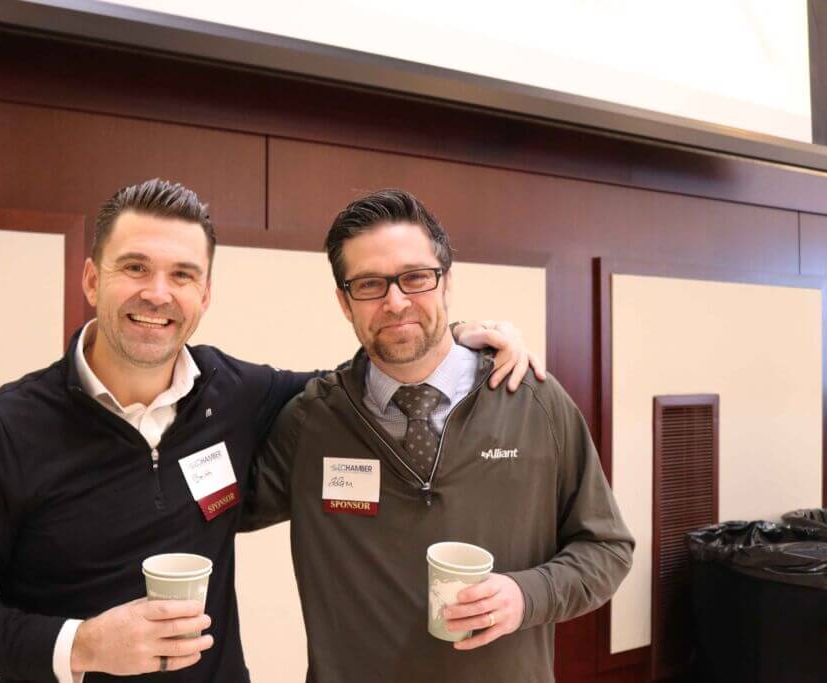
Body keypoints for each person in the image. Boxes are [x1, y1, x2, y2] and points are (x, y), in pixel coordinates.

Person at [0, 178, 543, 682]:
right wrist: (81, 644)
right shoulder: (6, 427)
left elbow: (366, 382)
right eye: (135, 268)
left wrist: (459, 340)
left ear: (205, 294)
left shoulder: (236, 394)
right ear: (93, 279)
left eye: (182, 274)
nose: (158, 293)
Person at [244, 189, 634, 683]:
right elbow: (212, 514)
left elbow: (607, 549)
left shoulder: (532, 402)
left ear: (447, 281)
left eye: (415, 277)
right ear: (344, 302)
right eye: (369, 284)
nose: (395, 302)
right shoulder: (312, 423)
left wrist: (527, 596)